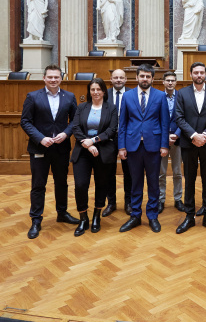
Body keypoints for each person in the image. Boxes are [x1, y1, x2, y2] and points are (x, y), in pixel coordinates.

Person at [20, 64, 79, 239]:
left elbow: (75, 121)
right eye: (50, 77)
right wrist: (40, 138)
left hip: (61, 148)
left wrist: (66, 134)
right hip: (40, 148)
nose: (53, 80)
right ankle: (36, 219)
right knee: (38, 185)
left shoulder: (69, 97)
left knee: (61, 182)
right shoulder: (33, 96)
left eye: (56, 77)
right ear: (44, 78)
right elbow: (25, 121)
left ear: (61, 78)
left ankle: (62, 213)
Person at [117, 64, 170, 233]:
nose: (145, 79)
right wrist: (121, 146)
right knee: (135, 182)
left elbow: (165, 123)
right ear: (137, 77)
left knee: (153, 182)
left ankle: (152, 216)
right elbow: (122, 123)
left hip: (153, 146)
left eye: (148, 76)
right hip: (132, 145)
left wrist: (164, 145)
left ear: (153, 78)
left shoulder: (160, 96)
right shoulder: (127, 96)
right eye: (142, 76)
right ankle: (135, 215)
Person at [175, 62, 206, 234]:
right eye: (196, 72)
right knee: (189, 179)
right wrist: (194, 135)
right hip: (189, 143)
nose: (199, 75)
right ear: (191, 74)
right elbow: (179, 118)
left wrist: (205, 135)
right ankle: (189, 216)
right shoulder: (182, 93)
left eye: (202, 72)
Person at [70, 78, 118, 237]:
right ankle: (83, 218)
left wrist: (94, 140)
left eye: (98, 89)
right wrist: (88, 144)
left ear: (104, 91)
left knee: (102, 184)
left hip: (103, 151)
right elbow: (75, 127)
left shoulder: (111, 108)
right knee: (80, 185)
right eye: (93, 89)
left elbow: (111, 130)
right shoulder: (82, 107)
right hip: (83, 150)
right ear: (89, 92)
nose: (96, 92)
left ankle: (97, 215)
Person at [102, 68, 132, 217]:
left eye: (121, 77)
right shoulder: (104, 94)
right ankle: (111, 203)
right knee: (109, 172)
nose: (118, 80)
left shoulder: (133, 94)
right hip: (109, 139)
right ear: (111, 79)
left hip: (128, 138)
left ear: (126, 79)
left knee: (129, 172)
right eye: (116, 78)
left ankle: (129, 202)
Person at [158, 71, 184, 214]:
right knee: (161, 172)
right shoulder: (158, 97)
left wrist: (176, 134)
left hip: (177, 140)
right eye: (167, 80)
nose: (170, 83)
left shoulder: (181, 97)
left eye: (172, 80)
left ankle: (178, 199)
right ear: (163, 82)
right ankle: (161, 199)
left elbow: (185, 118)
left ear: (176, 82)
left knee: (177, 172)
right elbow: (154, 119)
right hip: (161, 140)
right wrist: (165, 136)